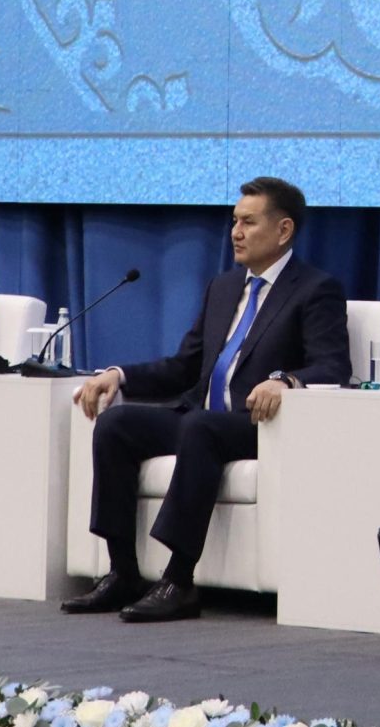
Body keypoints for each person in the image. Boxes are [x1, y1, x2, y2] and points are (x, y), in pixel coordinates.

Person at [61, 177, 349, 623]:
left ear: (284, 230)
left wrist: (285, 381)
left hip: (257, 426)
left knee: (200, 426)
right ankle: (122, 572)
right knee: (117, 425)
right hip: (203, 420)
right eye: (234, 221)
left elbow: (332, 367)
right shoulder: (224, 287)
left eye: (248, 222)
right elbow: (184, 366)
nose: (235, 232)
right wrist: (118, 375)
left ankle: (178, 580)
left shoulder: (314, 289)